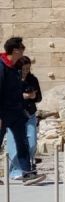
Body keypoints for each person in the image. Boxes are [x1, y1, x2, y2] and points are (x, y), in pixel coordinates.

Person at [1, 36, 37, 181]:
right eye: (22, 48)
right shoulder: (1, 66)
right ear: (15, 50)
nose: (23, 51)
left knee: (22, 141)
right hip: (3, 112)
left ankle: (27, 173)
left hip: (16, 112)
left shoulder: (15, 67)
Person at [7, 57, 41, 181]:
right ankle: (16, 171)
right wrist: (23, 96)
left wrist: (33, 96)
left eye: (28, 68)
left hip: (29, 115)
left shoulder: (33, 79)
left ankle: (26, 168)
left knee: (32, 143)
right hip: (14, 115)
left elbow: (39, 98)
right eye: (24, 68)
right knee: (15, 144)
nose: (26, 71)